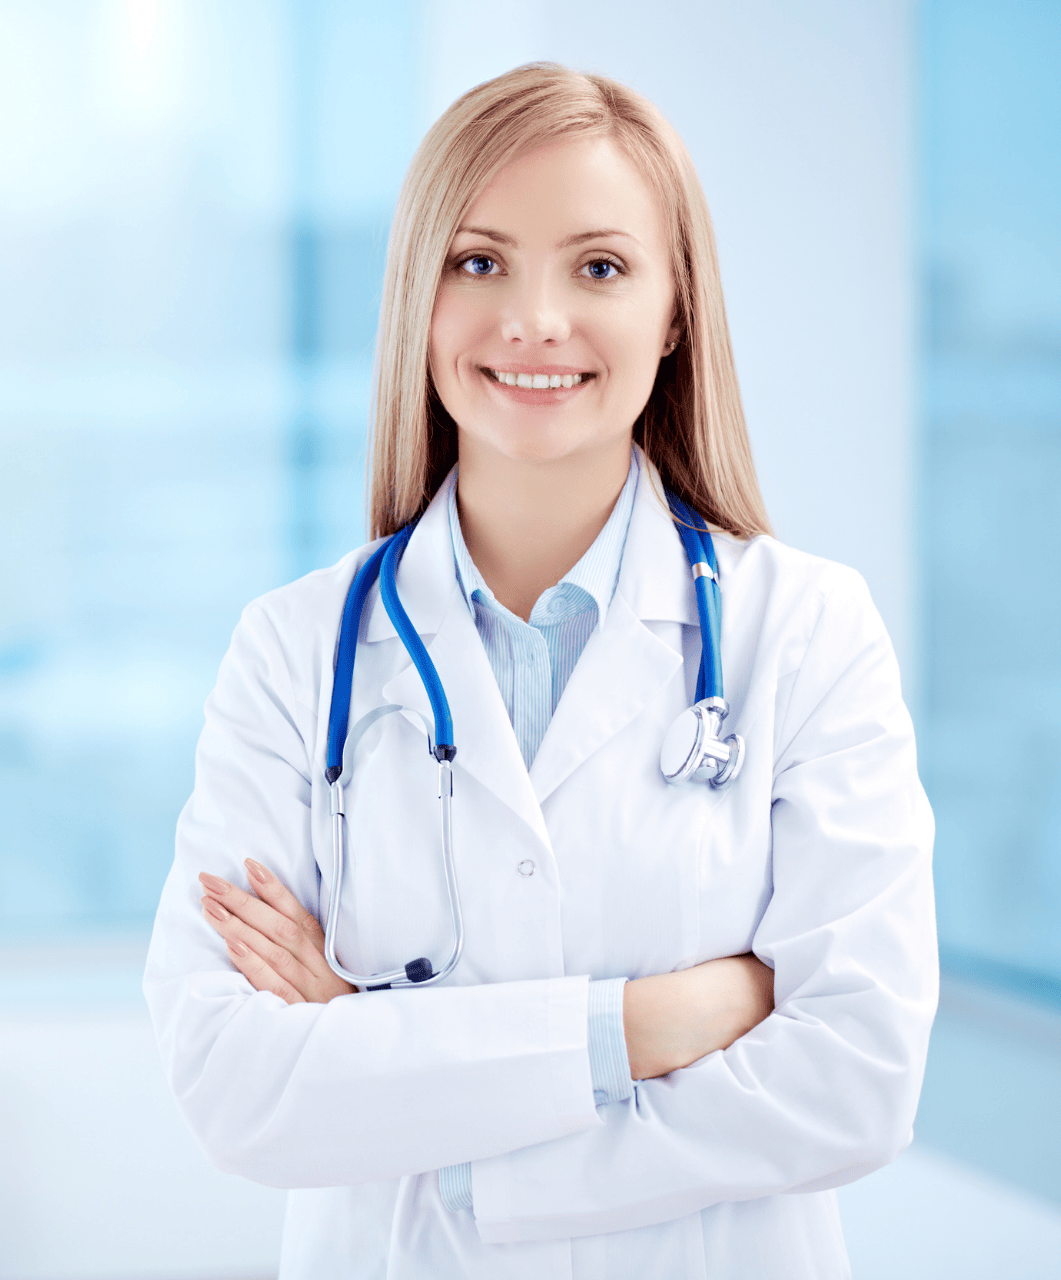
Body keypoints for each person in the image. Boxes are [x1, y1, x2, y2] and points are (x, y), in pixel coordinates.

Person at [143, 63, 936, 1278]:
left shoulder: (807, 631)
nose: (534, 320)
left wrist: (405, 1082)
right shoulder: (297, 653)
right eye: (479, 262)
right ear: (418, 298)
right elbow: (235, 1083)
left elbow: (856, 1078)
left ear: (675, 314)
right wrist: (650, 1022)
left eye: (600, 267)